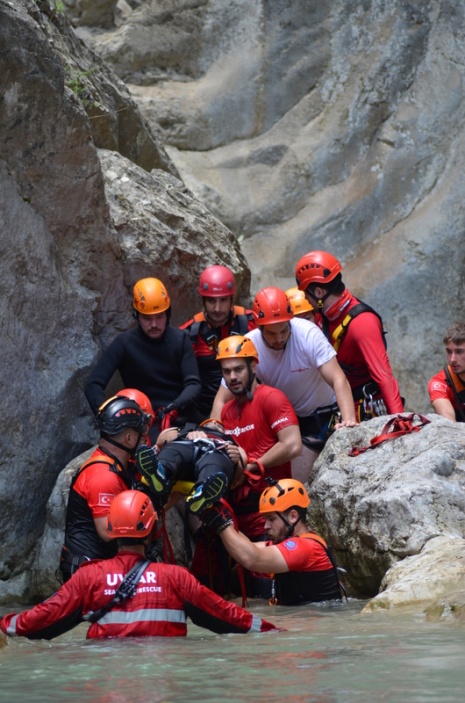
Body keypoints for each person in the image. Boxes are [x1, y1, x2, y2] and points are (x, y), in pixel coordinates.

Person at [1, 491, 279, 639]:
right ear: (152, 531)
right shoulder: (176, 578)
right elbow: (225, 615)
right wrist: (271, 629)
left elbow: (43, 617)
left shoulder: (89, 578)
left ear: (111, 530)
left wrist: (5, 623)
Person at [191, 335, 302, 598]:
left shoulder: (271, 398)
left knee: (265, 591)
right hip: (231, 510)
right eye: (226, 371)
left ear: (254, 366)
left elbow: (293, 445)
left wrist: (251, 465)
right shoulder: (227, 411)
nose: (232, 377)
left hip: (265, 512)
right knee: (203, 582)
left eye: (238, 369)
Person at [212, 287, 356, 483]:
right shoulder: (250, 345)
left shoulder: (307, 334)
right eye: (271, 334)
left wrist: (348, 422)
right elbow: (222, 397)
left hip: (325, 416)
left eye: (284, 330)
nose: (279, 338)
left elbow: (338, 379)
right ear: (258, 326)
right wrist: (214, 436)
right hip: (286, 422)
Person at [85, 277, 201, 439]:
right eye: (147, 318)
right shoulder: (124, 344)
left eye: (159, 317)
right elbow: (93, 385)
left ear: (168, 314)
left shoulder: (180, 339)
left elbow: (193, 384)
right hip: (144, 423)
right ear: (136, 316)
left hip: (182, 417)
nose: (154, 324)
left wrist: (174, 406)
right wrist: (110, 414)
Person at [295, 250, 404, 420]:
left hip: (367, 409)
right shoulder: (323, 315)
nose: (305, 299)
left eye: (305, 293)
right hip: (339, 406)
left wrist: (400, 419)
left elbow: (384, 376)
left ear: (318, 293)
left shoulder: (362, 323)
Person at [201, 479, 343, 606]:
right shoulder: (291, 543)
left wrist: (221, 523)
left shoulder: (305, 548)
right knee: (233, 603)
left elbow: (251, 558)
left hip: (315, 624)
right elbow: (248, 548)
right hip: (306, 618)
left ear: (293, 516)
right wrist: (222, 515)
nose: (265, 526)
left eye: (271, 519)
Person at [59, 395, 151, 582]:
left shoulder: (116, 466)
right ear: (129, 438)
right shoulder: (104, 476)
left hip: (100, 569)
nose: (145, 440)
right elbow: (108, 532)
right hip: (89, 575)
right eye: (142, 435)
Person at [180, 265, 255, 419]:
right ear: (203, 300)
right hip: (206, 412)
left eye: (223, 300)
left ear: (232, 299)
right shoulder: (189, 334)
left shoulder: (251, 322)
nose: (217, 308)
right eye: (211, 301)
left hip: (250, 404)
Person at [135, 419, 247, 514]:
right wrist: (180, 434)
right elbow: (161, 439)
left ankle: (203, 492)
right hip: (186, 445)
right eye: (211, 421)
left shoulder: (230, 442)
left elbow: (239, 474)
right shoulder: (187, 428)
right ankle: (160, 472)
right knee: (172, 452)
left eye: (218, 425)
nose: (214, 422)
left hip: (216, 452)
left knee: (215, 465)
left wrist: (236, 460)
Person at [428, 322, 465, 422]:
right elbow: (449, 423)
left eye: (459, 352)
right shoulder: (440, 382)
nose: (452, 359)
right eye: (449, 352)